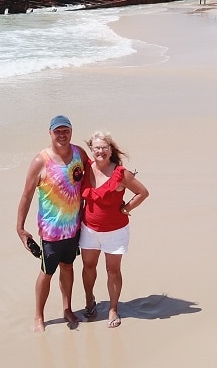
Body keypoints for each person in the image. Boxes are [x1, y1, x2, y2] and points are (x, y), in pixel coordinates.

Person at [16, 115, 90, 332]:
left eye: (65, 130)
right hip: (51, 231)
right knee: (47, 272)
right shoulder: (41, 161)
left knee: (68, 267)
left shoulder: (79, 154)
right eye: (57, 131)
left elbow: (93, 175)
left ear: (71, 132)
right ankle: (39, 316)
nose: (62, 135)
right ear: (50, 133)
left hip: (74, 227)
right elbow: (26, 196)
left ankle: (67, 308)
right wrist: (20, 228)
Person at [79, 131, 149, 328]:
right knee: (88, 267)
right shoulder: (85, 169)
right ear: (91, 150)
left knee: (112, 270)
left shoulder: (120, 173)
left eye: (104, 147)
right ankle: (89, 301)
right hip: (88, 229)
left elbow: (143, 192)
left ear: (110, 150)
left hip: (115, 231)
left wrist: (127, 208)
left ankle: (113, 308)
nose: (100, 151)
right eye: (96, 147)